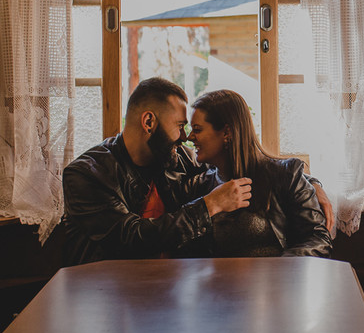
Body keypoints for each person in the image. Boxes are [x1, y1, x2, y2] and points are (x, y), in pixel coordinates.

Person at [185, 89, 332, 333]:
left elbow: (318, 239)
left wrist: (267, 278)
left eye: (198, 129)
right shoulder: (203, 184)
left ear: (228, 132)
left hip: (280, 301)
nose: (190, 137)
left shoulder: (283, 174)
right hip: (219, 304)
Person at [60, 77, 252, 266]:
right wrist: (209, 206)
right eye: (179, 126)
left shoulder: (180, 159)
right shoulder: (86, 173)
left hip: (170, 285)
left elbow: (220, 171)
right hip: (102, 288)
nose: (185, 137)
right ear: (149, 122)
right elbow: (130, 239)